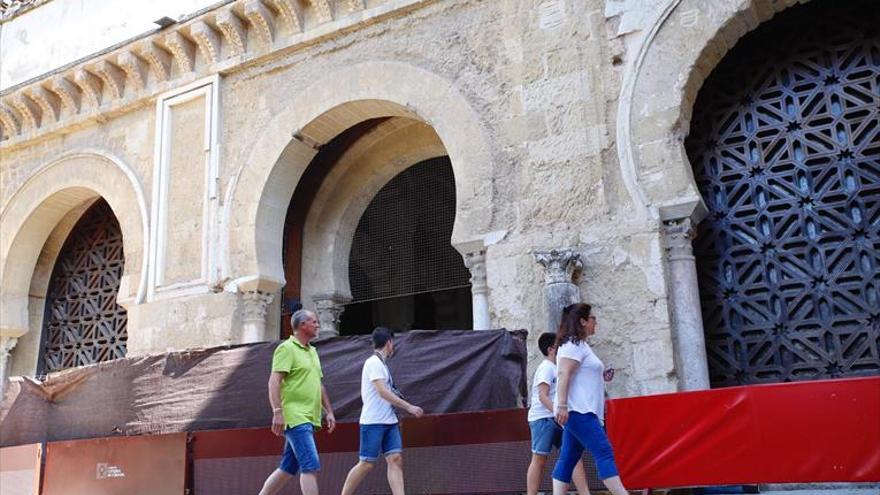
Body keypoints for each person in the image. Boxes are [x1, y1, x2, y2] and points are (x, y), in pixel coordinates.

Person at [552, 303, 629, 495]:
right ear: (583, 321)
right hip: (579, 410)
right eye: (593, 318)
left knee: (568, 457)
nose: (596, 322)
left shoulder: (579, 345)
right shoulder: (573, 344)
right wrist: (561, 405)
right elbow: (564, 372)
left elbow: (578, 374)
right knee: (603, 452)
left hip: (579, 409)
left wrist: (601, 376)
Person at [258, 309, 336, 495]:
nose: (318, 325)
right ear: (302, 325)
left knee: (288, 468)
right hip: (295, 416)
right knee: (311, 466)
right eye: (314, 322)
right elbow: (273, 381)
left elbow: (318, 384)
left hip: (310, 417)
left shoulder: (313, 351)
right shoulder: (286, 348)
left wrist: (329, 411)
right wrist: (277, 411)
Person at [341, 327, 424, 495]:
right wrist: (409, 407)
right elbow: (382, 391)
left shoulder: (381, 364)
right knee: (366, 463)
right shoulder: (373, 363)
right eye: (393, 342)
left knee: (395, 459)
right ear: (389, 343)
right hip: (373, 421)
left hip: (389, 421)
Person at [527, 332, 591, 495]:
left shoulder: (558, 368)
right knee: (539, 459)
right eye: (559, 346)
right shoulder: (545, 368)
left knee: (572, 456)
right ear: (551, 349)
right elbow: (542, 396)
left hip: (558, 419)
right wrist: (558, 412)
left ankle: (585, 492)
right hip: (543, 419)